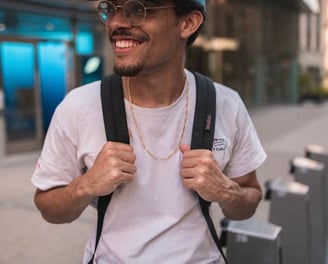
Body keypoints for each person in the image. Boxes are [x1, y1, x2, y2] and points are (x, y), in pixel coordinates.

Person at [32, 0, 266, 263]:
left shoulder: (226, 105)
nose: (116, 23)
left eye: (137, 9)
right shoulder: (79, 106)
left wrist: (225, 191)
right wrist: (86, 185)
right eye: (111, 8)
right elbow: (48, 207)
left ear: (188, 23)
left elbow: (249, 200)